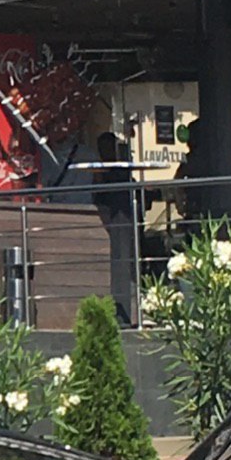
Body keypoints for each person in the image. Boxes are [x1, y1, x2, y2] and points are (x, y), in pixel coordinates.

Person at [93, 132, 135, 325]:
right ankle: (121, 311)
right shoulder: (102, 171)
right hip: (112, 217)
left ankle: (124, 311)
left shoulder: (118, 170)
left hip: (121, 216)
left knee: (124, 257)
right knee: (120, 257)